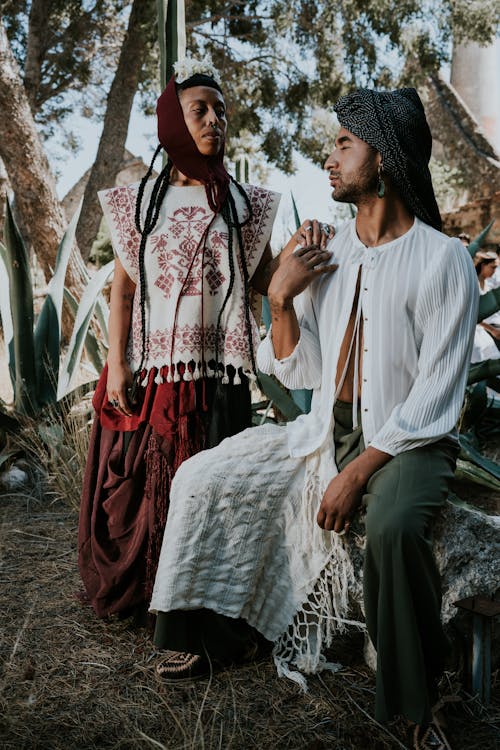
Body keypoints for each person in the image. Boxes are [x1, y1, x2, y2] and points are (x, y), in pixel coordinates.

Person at [150, 87, 478, 749]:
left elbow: (439, 393)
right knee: (202, 475)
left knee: (390, 526)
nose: (328, 159)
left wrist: (358, 471)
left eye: (343, 145)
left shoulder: (445, 259)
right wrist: (279, 297)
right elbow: (301, 375)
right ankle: (203, 633)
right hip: (326, 431)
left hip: (411, 441)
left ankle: (418, 706)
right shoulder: (329, 256)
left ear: (382, 159)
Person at [78, 57, 331, 619]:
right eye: (200, 111)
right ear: (172, 123)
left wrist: (301, 251)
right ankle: (150, 597)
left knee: (210, 488)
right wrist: (117, 363)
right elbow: (121, 292)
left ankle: (196, 601)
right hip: (154, 372)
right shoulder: (139, 204)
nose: (214, 120)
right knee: (146, 493)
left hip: (219, 376)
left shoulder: (245, 206)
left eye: (220, 111)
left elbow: (263, 280)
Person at [471, 249, 500, 361]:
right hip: (478, 331)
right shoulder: (474, 284)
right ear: (483, 266)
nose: (494, 270)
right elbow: (474, 314)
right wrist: (492, 330)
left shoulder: (487, 284)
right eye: (492, 267)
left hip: (486, 329)